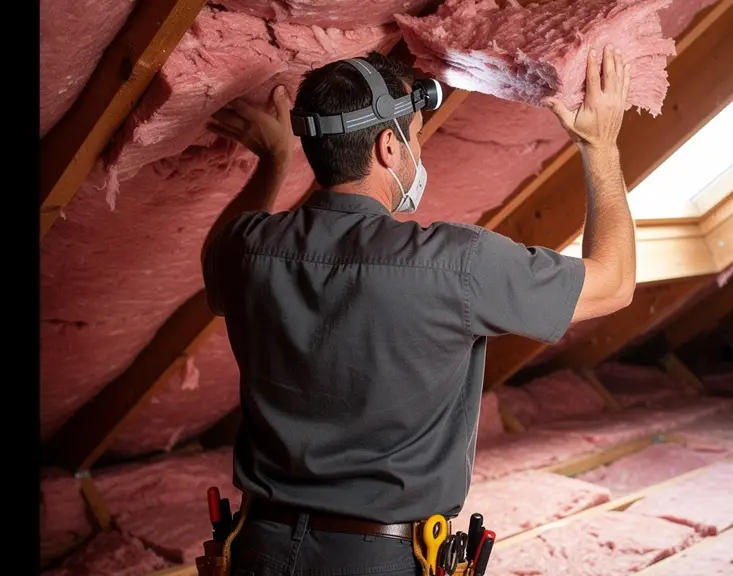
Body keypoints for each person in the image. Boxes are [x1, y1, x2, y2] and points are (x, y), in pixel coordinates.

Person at [201, 46, 636, 575]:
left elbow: (221, 247)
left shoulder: (247, 250)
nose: (417, 150)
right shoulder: (457, 264)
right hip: (376, 559)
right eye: (415, 135)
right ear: (389, 146)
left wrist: (273, 163)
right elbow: (613, 285)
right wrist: (602, 146)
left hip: (258, 550)